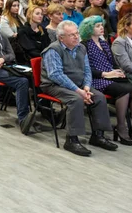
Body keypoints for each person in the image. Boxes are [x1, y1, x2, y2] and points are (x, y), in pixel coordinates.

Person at [41, 21, 117, 156]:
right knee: (75, 99)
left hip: (79, 84)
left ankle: (98, 135)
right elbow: (56, 75)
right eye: (72, 35)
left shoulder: (81, 47)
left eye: (77, 33)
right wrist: (79, 91)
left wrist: (87, 87)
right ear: (61, 37)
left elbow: (87, 70)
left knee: (98, 96)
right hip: (54, 85)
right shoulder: (53, 50)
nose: (76, 37)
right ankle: (72, 139)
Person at [80, 15, 132, 146]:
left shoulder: (104, 43)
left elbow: (112, 62)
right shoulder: (84, 45)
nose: (101, 28)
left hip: (111, 75)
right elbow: (85, 69)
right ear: (89, 29)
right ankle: (121, 127)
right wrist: (106, 74)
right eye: (97, 26)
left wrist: (117, 71)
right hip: (97, 79)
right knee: (124, 92)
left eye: (101, 25)